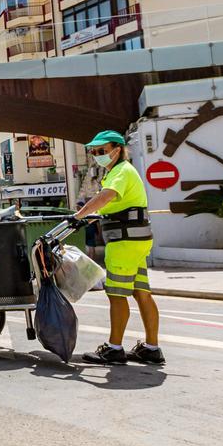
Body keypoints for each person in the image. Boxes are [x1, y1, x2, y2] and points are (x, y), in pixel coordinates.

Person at [72, 131, 164, 365]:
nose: (97, 155)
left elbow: (106, 197)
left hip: (124, 242)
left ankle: (114, 348)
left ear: (118, 149)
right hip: (137, 241)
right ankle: (151, 348)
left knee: (115, 294)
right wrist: (92, 217)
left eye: (101, 150)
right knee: (141, 292)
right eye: (94, 151)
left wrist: (79, 215)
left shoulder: (121, 172)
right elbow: (112, 206)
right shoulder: (119, 172)